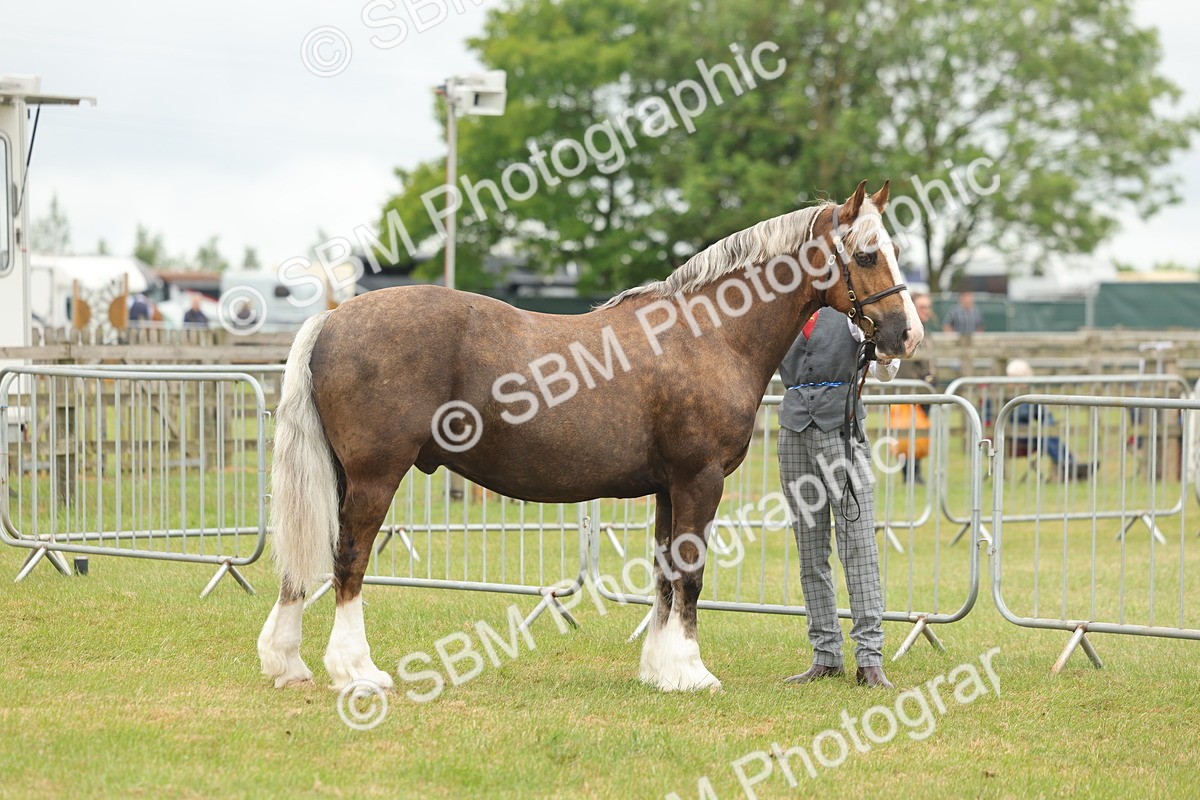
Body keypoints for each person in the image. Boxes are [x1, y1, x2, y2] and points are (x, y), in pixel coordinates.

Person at [778, 307, 897, 689]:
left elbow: (883, 370)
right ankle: (825, 654)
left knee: (858, 546)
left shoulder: (851, 313)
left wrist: (885, 353)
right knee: (810, 551)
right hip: (793, 431)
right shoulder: (783, 314)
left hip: (842, 432)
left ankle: (869, 658)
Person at [1005, 360, 1094, 480]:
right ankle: (1071, 466)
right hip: (1010, 437)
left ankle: (1071, 465)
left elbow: (1043, 415)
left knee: (1048, 434)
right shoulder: (1001, 396)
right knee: (1046, 436)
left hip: (1029, 435)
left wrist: (1048, 425)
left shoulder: (1026, 397)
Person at [897, 292, 937, 483]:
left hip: (925, 390)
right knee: (907, 434)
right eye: (922, 306)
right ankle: (908, 474)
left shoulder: (926, 332)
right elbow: (905, 365)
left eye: (927, 306)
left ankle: (917, 472)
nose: (926, 311)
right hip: (911, 391)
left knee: (920, 435)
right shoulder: (905, 331)